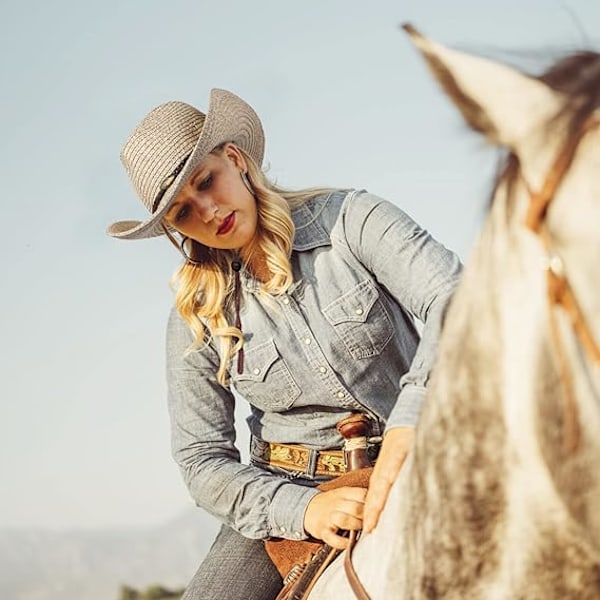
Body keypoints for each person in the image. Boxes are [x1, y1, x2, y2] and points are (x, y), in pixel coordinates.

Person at [107, 88, 462, 600]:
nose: (207, 211)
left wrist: (411, 421)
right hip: (288, 490)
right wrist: (302, 510)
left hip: (424, 444)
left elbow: (456, 296)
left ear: (234, 158)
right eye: (183, 212)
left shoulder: (351, 220)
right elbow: (201, 459)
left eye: (205, 182)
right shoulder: (194, 318)